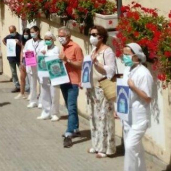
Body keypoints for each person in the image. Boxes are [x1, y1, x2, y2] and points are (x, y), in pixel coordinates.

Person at [122, 43, 154, 171]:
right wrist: (119, 108)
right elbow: (122, 91)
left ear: (136, 56)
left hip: (139, 116)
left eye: (126, 54)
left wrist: (134, 87)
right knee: (136, 149)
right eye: (123, 54)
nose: (123, 57)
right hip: (127, 114)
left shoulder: (144, 74)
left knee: (130, 146)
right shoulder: (127, 70)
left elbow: (147, 98)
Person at [87, 26, 117, 158]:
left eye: (94, 34)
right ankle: (96, 144)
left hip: (103, 87)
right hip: (92, 87)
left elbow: (111, 71)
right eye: (91, 34)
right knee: (93, 116)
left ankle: (105, 148)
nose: (91, 36)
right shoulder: (94, 50)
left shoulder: (107, 52)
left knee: (104, 117)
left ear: (101, 36)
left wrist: (97, 64)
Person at [57, 26, 84, 148]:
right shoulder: (62, 48)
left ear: (68, 36)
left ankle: (69, 132)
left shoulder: (76, 47)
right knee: (69, 106)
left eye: (62, 36)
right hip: (63, 80)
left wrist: (67, 60)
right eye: (59, 35)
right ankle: (76, 128)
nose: (60, 38)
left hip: (73, 81)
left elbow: (80, 64)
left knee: (72, 106)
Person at [37, 31, 61, 121]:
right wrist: (41, 54)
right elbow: (38, 59)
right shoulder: (43, 48)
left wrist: (46, 54)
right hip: (44, 74)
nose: (47, 41)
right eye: (45, 39)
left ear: (52, 39)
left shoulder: (56, 48)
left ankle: (55, 113)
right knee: (44, 93)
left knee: (54, 94)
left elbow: (55, 58)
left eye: (48, 39)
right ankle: (45, 112)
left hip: (53, 74)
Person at [22, 26, 45, 109]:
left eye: (33, 32)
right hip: (31, 65)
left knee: (41, 83)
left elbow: (45, 52)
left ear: (37, 32)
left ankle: (41, 101)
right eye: (30, 32)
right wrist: (26, 55)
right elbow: (24, 52)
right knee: (32, 84)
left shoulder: (43, 42)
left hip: (40, 65)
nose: (31, 34)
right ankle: (33, 101)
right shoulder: (28, 42)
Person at [3, 26, 22, 93]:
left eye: (12, 32)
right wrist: (6, 44)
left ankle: (24, 86)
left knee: (22, 72)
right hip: (11, 57)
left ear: (15, 30)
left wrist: (19, 43)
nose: (11, 33)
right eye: (10, 32)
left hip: (19, 57)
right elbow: (3, 40)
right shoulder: (8, 37)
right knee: (13, 72)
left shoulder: (20, 37)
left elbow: (24, 45)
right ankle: (17, 86)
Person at [15, 28, 31, 99]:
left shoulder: (31, 42)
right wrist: (21, 61)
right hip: (24, 59)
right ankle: (22, 93)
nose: (25, 35)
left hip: (30, 59)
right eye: (24, 34)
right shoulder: (23, 41)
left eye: (27, 34)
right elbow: (22, 50)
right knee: (22, 77)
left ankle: (31, 93)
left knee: (31, 78)